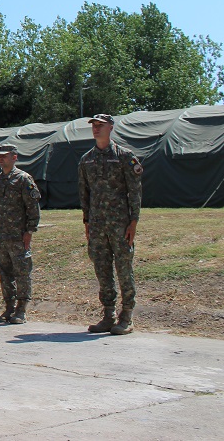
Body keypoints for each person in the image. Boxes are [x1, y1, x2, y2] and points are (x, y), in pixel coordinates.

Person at [79, 113, 142, 336]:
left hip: (120, 223)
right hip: (97, 224)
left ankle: (126, 316)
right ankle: (108, 315)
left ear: (111, 127)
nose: (96, 129)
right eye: (94, 126)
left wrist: (133, 221)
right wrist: (86, 220)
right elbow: (84, 192)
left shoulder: (125, 157)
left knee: (124, 268)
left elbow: (134, 192)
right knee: (102, 269)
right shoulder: (86, 159)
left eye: (100, 125)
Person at [0, 144, 40, 324]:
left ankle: (21, 309)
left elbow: (33, 207)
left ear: (14, 157)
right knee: (4, 273)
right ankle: (9, 307)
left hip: (18, 236)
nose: (1, 159)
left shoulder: (23, 179)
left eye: (5, 156)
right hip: (1, 235)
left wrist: (29, 230)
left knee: (22, 272)